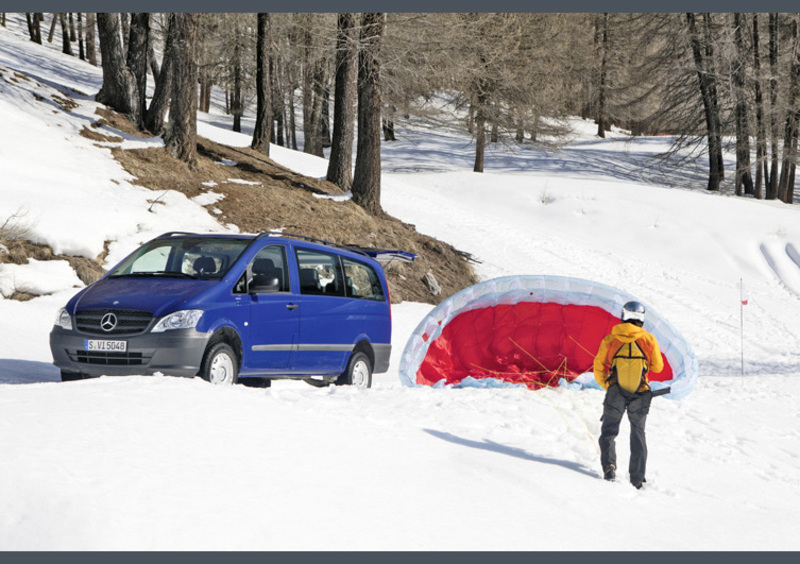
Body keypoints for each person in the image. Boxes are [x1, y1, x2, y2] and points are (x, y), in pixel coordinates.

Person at [593, 301, 664, 489]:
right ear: (641, 318)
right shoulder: (648, 339)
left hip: (616, 391)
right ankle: (637, 478)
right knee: (638, 433)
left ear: (624, 316)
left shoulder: (610, 339)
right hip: (640, 394)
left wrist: (608, 386)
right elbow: (658, 367)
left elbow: (598, 367)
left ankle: (609, 468)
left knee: (608, 431)